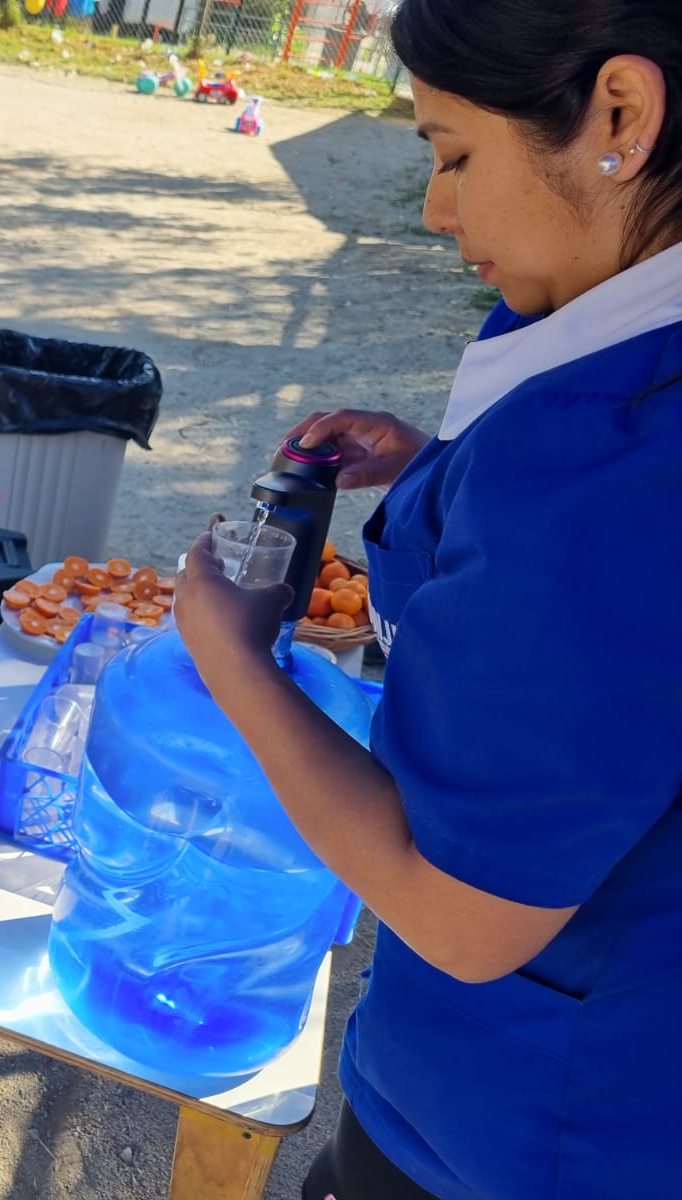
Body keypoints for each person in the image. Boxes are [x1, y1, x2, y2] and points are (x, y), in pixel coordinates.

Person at [171, 3, 682, 1196]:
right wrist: (432, 468)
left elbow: (461, 923)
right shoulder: (608, 332)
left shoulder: (614, 484)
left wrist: (235, 657)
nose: (434, 210)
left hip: (525, 1132)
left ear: (620, 112)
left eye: (452, 156)